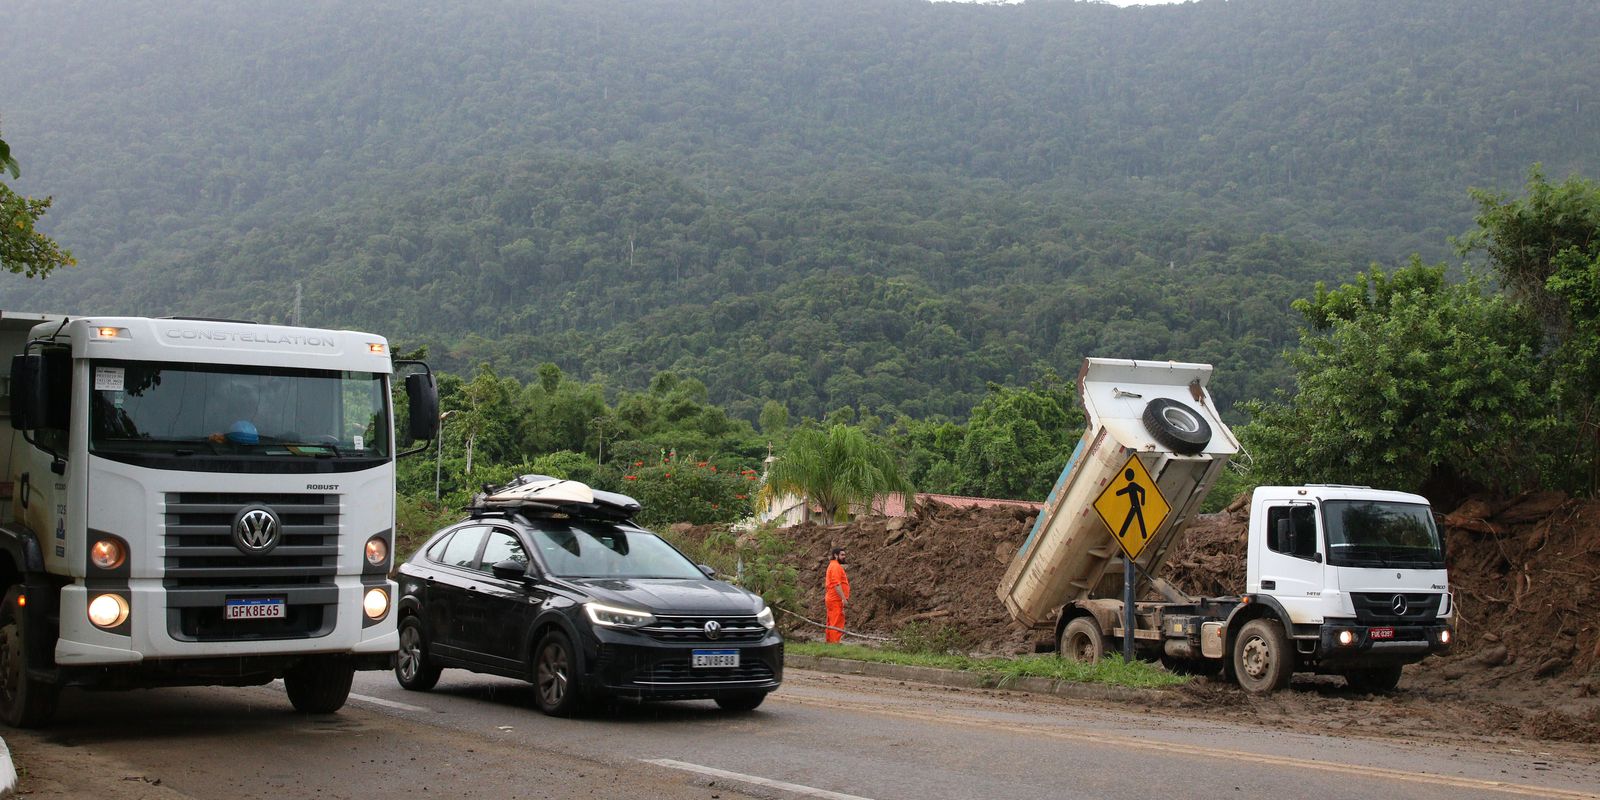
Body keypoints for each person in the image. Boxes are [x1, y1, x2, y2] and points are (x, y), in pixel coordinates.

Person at [824, 546, 850, 644]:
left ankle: (830, 641)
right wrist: (843, 598)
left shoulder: (833, 566)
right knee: (836, 621)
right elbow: (836, 584)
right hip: (835, 599)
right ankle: (834, 643)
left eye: (844, 555)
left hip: (832, 598)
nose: (844, 557)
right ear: (835, 555)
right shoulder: (835, 567)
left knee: (831, 621)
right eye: (842, 555)